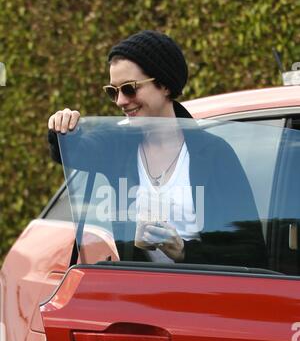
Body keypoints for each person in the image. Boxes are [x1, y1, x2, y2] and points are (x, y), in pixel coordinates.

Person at [48, 30, 267, 267]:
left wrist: (184, 251)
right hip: (145, 296)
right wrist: (63, 126)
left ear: (164, 85)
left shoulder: (215, 154)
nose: (120, 101)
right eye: (113, 91)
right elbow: (72, 151)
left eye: (129, 88)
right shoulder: (119, 146)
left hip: (205, 297)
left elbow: (251, 253)